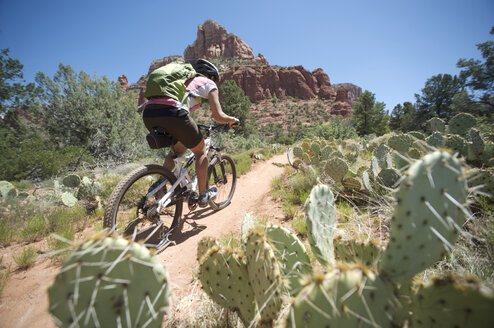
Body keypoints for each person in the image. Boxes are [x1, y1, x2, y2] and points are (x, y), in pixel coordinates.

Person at [141, 59, 239, 207]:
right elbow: (218, 116)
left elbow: (183, 112)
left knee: (178, 151)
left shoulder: (181, 82)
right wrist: (232, 120)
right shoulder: (208, 83)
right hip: (173, 113)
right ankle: (203, 194)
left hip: (149, 113)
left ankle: (159, 185)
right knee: (200, 151)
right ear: (211, 76)